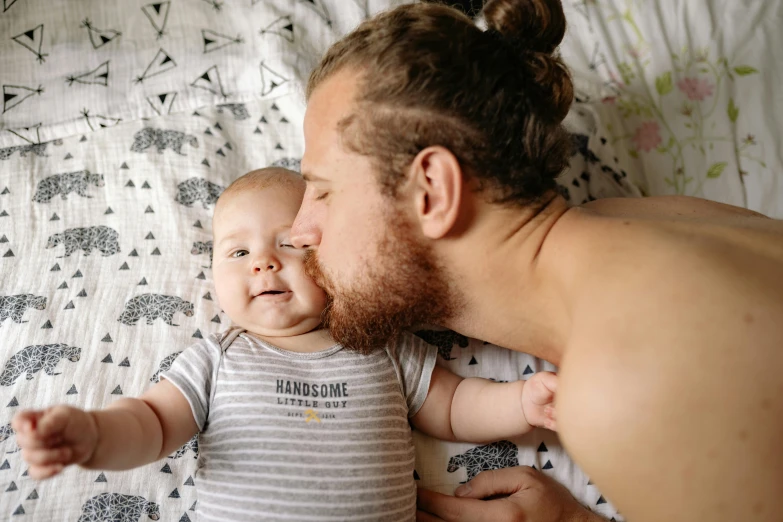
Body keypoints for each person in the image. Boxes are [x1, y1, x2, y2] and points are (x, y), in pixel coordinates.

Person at [289, 1, 783, 521]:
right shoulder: (650, 221)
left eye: (321, 191)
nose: (298, 234)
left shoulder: (624, 385)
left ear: (431, 191)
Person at [13, 168, 559, 521]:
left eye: (288, 243)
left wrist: (521, 403)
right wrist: (94, 434)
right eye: (237, 253)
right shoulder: (218, 358)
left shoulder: (380, 346)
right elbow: (151, 425)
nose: (263, 261)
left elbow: (457, 408)